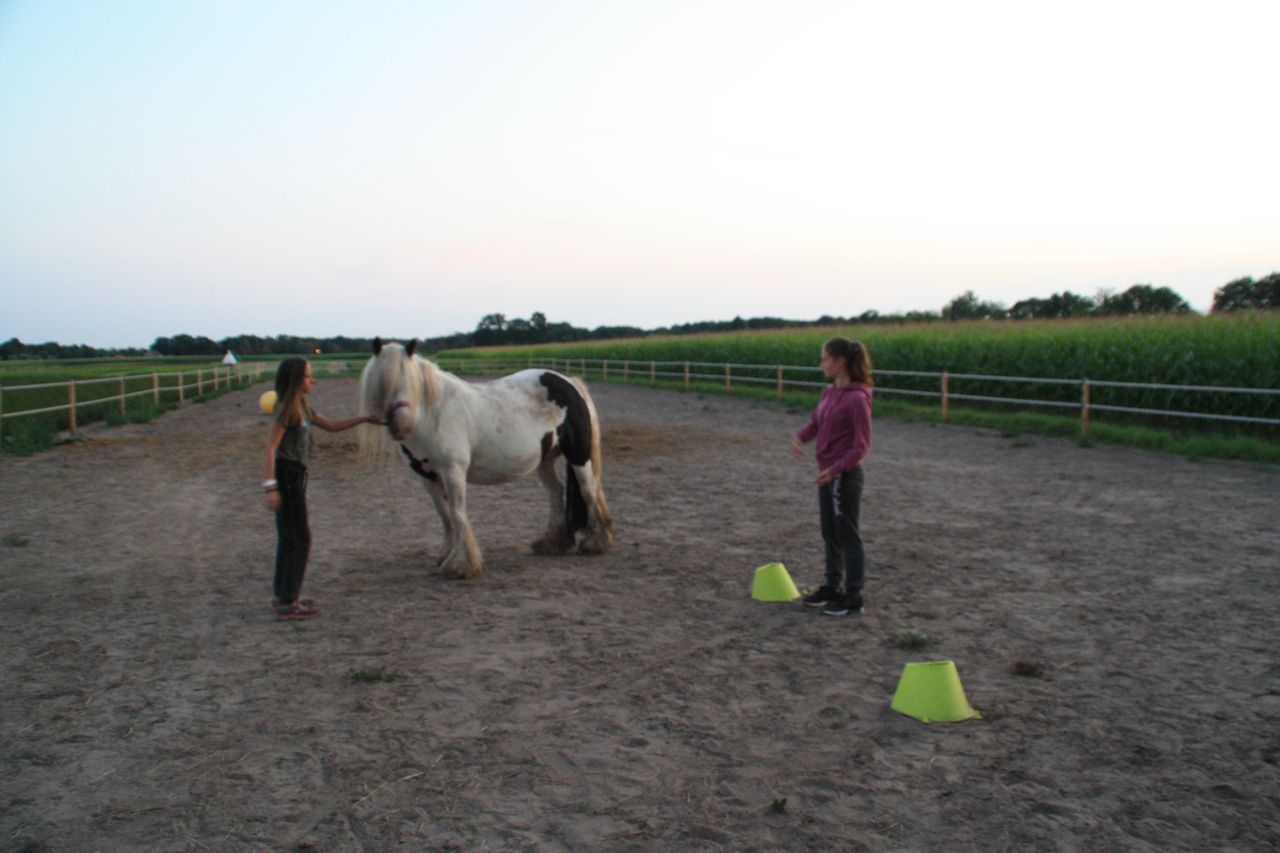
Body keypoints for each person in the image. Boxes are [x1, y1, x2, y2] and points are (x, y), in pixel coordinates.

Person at [263, 358, 377, 621]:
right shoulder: (286, 409)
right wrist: (270, 487)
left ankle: (283, 596)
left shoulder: (302, 406)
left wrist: (366, 419)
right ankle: (289, 602)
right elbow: (270, 448)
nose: (312, 381)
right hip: (288, 474)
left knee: (290, 537)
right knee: (300, 538)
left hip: (295, 474)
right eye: (307, 376)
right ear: (294, 380)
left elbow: (333, 426)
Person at [790, 337, 873, 616]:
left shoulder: (857, 399)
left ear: (840, 362)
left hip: (844, 476)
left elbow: (861, 445)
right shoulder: (828, 393)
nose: (821, 364)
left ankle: (853, 596)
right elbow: (816, 422)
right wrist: (800, 437)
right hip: (827, 475)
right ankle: (832, 586)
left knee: (847, 534)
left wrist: (835, 469)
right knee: (829, 531)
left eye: (825, 359)